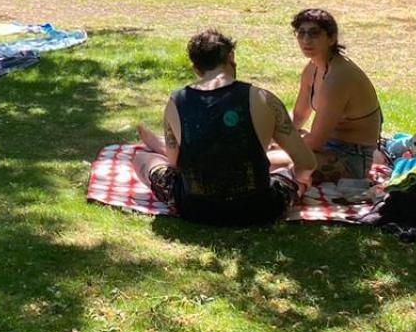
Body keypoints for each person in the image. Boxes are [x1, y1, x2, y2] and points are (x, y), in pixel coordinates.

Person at [131, 29, 316, 225]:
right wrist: (299, 179)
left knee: (142, 158)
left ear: (196, 67)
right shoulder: (264, 99)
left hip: (195, 209)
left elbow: (176, 163)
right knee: (292, 173)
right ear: (231, 57)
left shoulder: (176, 102)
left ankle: (155, 148)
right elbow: (307, 163)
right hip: (260, 209)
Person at [290, 8, 383, 184]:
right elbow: (299, 116)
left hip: (352, 158)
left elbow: (316, 140)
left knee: (274, 163)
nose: (306, 40)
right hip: (328, 146)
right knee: (269, 152)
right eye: (301, 33)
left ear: (331, 38)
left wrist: (284, 145)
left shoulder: (339, 77)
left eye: (314, 34)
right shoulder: (312, 69)